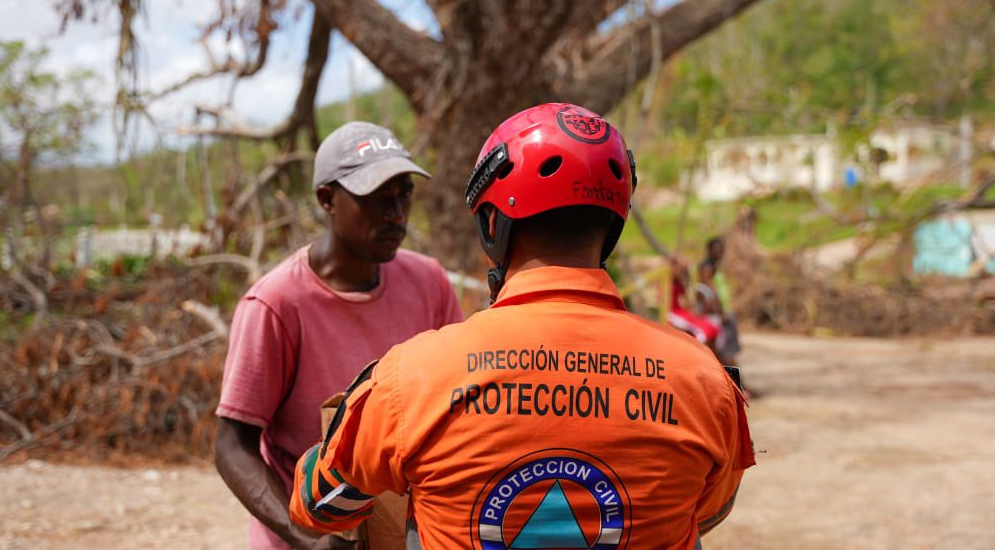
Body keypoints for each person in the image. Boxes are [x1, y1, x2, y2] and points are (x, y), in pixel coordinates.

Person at [289, 103, 754, 549]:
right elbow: (708, 509)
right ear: (613, 225)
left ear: (492, 223)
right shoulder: (704, 381)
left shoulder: (410, 378)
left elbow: (320, 506)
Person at [215, 121, 464, 549]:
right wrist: (310, 539)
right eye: (375, 197)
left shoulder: (429, 283)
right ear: (327, 199)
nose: (396, 213)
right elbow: (232, 446)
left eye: (403, 192)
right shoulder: (277, 304)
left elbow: (459, 405)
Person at [696, 237, 741, 365]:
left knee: (728, 351)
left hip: (723, 312)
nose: (720, 252)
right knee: (724, 353)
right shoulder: (706, 273)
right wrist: (720, 313)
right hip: (718, 317)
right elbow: (708, 304)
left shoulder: (716, 268)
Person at [667, 257, 721, 348]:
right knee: (700, 331)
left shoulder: (680, 282)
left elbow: (686, 302)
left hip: (681, 311)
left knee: (709, 326)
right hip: (673, 313)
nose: (681, 271)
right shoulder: (668, 281)